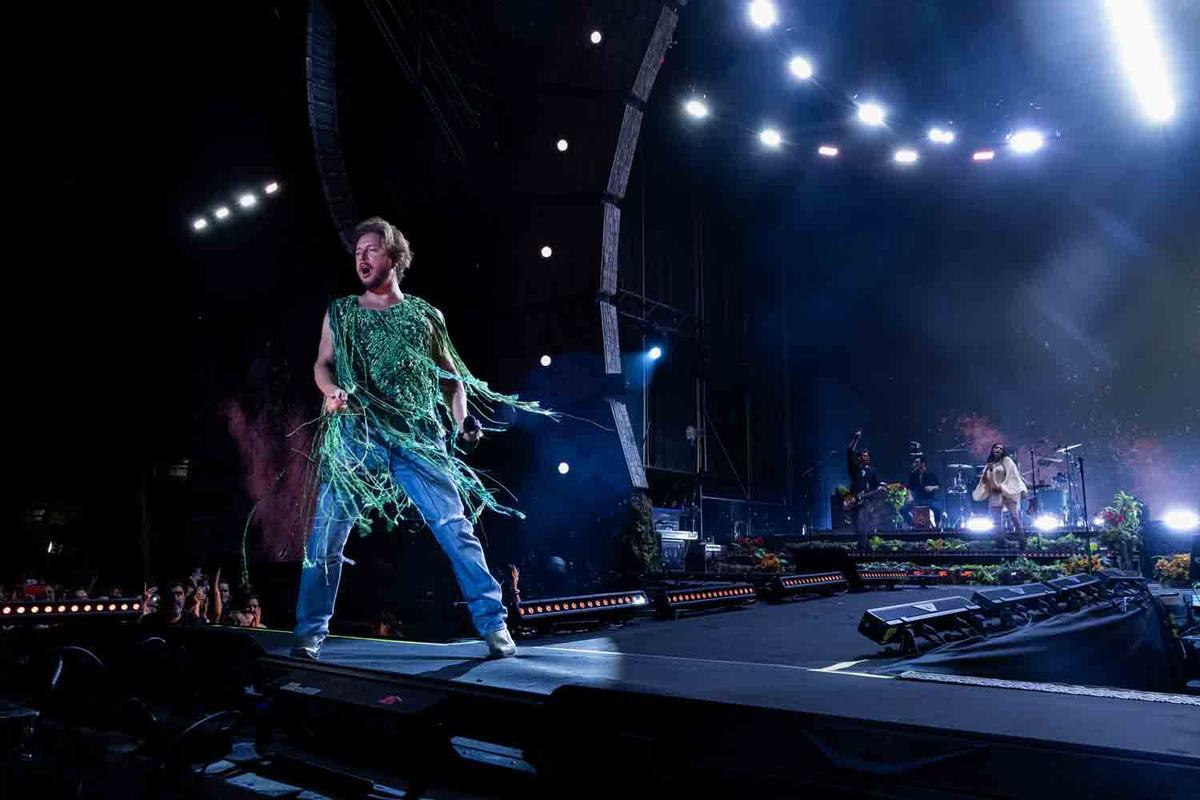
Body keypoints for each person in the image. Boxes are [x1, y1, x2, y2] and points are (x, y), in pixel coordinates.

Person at [292, 217, 549, 661]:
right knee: (326, 536)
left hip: (417, 439)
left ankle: (494, 625)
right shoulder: (341, 311)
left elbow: (453, 380)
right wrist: (332, 392)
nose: (362, 257)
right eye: (357, 252)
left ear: (394, 256)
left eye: (371, 249)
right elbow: (322, 365)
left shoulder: (425, 316)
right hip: (358, 437)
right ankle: (309, 632)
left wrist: (463, 420)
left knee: (455, 530)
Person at [973, 443, 1027, 544]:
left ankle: (1022, 541)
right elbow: (984, 481)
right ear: (992, 449)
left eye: (1000, 449)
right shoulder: (990, 463)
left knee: (1014, 516)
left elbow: (1013, 476)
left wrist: (1004, 487)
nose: (998, 450)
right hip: (995, 493)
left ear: (1003, 451)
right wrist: (988, 471)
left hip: (1008, 492)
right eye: (996, 448)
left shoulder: (1007, 461)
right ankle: (1001, 542)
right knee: (997, 521)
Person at [906, 455, 941, 529]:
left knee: (937, 508)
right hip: (917, 499)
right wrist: (910, 496)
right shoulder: (913, 475)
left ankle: (937, 528)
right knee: (902, 510)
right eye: (915, 462)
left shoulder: (930, 474)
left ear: (923, 463)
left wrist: (932, 487)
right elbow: (909, 487)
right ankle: (913, 524)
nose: (915, 464)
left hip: (929, 499)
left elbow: (938, 486)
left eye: (917, 462)